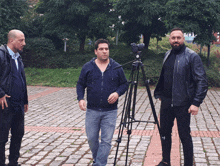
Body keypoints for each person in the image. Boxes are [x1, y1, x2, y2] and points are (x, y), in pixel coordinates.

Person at [154, 27, 208, 166]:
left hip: (183, 103)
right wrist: (159, 93)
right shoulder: (167, 54)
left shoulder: (192, 56)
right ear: (169, 39)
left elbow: (202, 81)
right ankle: (166, 161)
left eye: (178, 37)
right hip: (166, 103)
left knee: (185, 136)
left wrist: (196, 102)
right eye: (173, 38)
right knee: (164, 134)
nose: (176, 40)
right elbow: (165, 76)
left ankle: (188, 163)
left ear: (183, 39)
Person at [76, 39, 128, 166]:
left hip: (110, 111)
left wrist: (117, 93)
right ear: (95, 51)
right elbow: (80, 84)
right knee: (92, 139)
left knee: (106, 140)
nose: (104, 51)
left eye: (106, 49)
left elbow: (124, 84)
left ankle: (99, 164)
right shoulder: (88, 67)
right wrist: (81, 98)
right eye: (101, 49)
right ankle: (98, 159)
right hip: (92, 110)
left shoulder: (116, 67)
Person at [0, 29, 28, 166]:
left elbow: (21, 79)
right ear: (11, 40)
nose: (24, 43)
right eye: (21, 40)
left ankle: (13, 163)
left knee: (18, 135)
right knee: (2, 137)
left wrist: (25, 100)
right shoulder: (1, 55)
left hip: (18, 104)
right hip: (5, 104)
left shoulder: (18, 57)